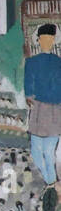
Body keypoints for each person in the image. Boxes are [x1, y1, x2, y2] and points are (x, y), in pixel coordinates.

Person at [24, 23, 61, 186]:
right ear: (38, 40)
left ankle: (51, 185)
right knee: (38, 152)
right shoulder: (31, 62)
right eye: (43, 39)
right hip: (40, 110)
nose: (46, 41)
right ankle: (51, 183)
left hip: (52, 110)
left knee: (47, 152)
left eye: (49, 38)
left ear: (53, 40)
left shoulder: (58, 62)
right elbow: (28, 91)